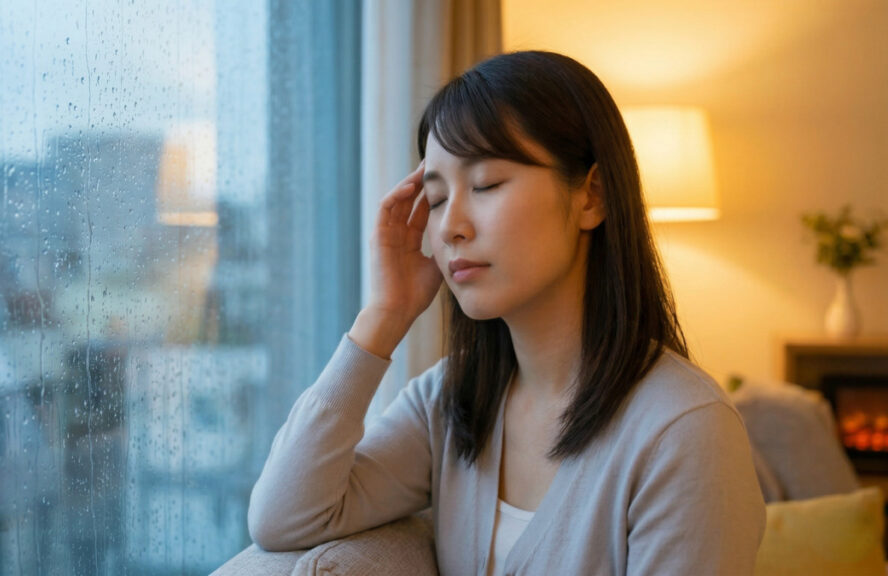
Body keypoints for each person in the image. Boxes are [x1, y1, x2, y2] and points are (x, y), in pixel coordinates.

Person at [247, 51, 765, 575]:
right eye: (437, 198)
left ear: (593, 196)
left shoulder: (685, 432)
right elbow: (286, 518)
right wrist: (386, 314)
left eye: (486, 185)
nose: (451, 226)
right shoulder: (452, 400)